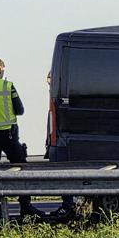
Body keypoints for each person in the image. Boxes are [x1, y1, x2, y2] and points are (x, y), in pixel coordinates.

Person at [0, 58, 46, 219]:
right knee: (21, 168)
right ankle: (25, 206)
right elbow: (20, 110)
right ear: (1, 70)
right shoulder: (7, 86)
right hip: (8, 135)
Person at [44, 70, 76, 222]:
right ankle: (69, 204)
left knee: (64, 173)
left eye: (50, 78)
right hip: (60, 140)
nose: (48, 81)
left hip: (63, 141)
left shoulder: (60, 100)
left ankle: (69, 204)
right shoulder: (57, 99)